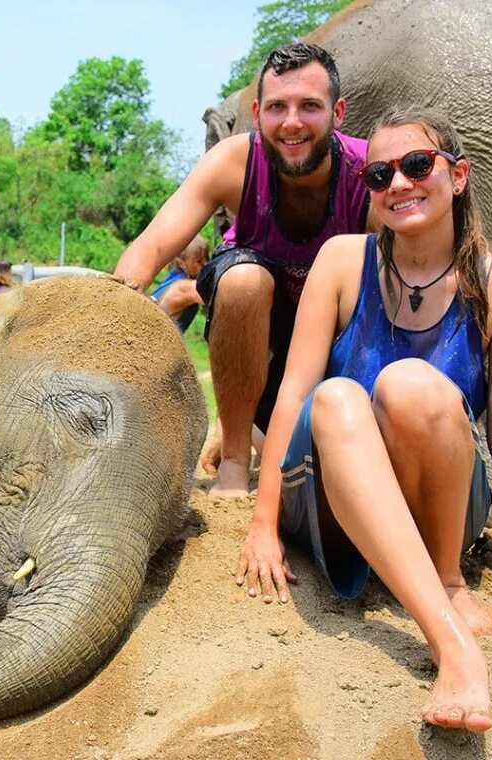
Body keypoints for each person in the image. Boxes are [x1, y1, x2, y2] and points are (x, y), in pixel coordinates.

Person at [233, 106, 492, 732]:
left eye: (417, 165)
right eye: (379, 175)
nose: (398, 184)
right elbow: (293, 394)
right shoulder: (343, 261)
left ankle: (445, 578)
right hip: (333, 498)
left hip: (440, 506)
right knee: (340, 396)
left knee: (410, 385)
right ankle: (453, 646)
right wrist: (263, 524)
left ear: (458, 176)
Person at [114, 43, 370, 496]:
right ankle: (234, 461)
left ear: (339, 112)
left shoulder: (370, 174)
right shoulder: (235, 162)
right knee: (244, 280)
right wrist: (103, 328)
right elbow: (149, 250)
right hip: (254, 340)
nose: (292, 122)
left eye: (310, 106)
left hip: (335, 354)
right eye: (277, 107)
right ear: (256, 114)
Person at [150, 237, 209, 332]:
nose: (206, 263)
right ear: (182, 264)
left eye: (207, 258)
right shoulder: (185, 286)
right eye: (199, 261)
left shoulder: (175, 274)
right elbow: (217, 295)